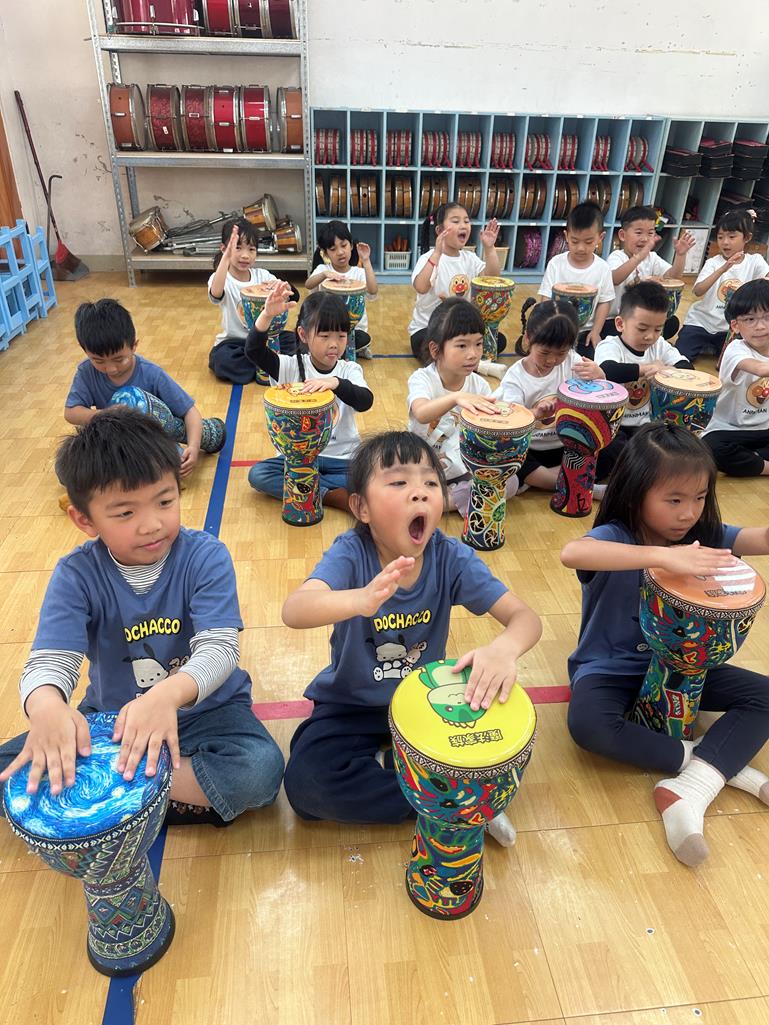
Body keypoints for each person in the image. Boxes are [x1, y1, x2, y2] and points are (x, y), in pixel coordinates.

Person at [0, 408, 284, 828]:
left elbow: (220, 649)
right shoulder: (76, 574)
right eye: (125, 513)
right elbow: (51, 660)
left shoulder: (205, 557)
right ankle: (158, 793)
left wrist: (165, 697)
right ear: (84, 519)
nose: (152, 524)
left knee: (260, 771)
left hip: (208, 713)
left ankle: (111, 794)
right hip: (114, 722)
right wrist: (46, 707)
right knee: (11, 768)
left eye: (165, 502)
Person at [280, 431, 542, 845]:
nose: (419, 492)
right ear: (362, 508)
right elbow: (295, 610)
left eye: (431, 482)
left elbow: (525, 618)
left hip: (428, 703)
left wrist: (503, 649)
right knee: (306, 785)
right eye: (399, 482)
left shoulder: (450, 557)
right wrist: (359, 599)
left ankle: (440, 790)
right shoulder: (351, 552)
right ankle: (458, 802)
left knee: (505, 749)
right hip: (352, 705)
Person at [561, 422, 769, 866]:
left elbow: (759, 539)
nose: (688, 513)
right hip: (610, 668)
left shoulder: (704, 535)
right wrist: (664, 556)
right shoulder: (617, 535)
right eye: (673, 500)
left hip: (687, 667)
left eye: (699, 498)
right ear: (636, 493)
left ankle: (692, 785)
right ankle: (714, 766)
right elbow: (572, 553)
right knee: (587, 725)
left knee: (765, 697)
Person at [245, 283, 373, 512]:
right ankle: (332, 496)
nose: (334, 344)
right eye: (324, 336)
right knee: (259, 474)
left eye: (341, 336)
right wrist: (266, 315)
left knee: (374, 475)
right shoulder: (289, 366)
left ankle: (310, 488)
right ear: (303, 335)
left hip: (342, 460)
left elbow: (365, 400)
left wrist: (336, 383)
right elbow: (254, 350)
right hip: (295, 460)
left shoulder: (348, 370)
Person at [65, 299, 225, 477]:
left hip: (155, 437)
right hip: (116, 439)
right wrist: (106, 415)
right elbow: (71, 412)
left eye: (119, 359)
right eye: (98, 361)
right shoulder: (86, 372)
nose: (111, 369)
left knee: (171, 468)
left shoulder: (151, 373)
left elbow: (190, 411)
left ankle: (203, 432)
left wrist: (194, 447)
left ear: (134, 346)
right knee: (67, 471)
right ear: (85, 351)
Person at [407, 297, 512, 517]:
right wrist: (456, 398)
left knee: (508, 481)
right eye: (462, 345)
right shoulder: (422, 378)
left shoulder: (480, 385)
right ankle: (452, 498)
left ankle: (443, 500)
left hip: (459, 467)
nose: (473, 354)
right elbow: (421, 413)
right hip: (419, 465)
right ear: (435, 350)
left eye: (478, 344)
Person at [497, 298, 611, 494]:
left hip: (567, 446)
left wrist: (600, 377)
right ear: (527, 339)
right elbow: (512, 421)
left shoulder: (574, 362)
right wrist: (535, 413)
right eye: (544, 352)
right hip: (531, 449)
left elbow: (600, 400)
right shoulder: (515, 377)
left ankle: (546, 480)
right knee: (506, 454)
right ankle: (582, 484)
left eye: (561, 353)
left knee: (611, 445)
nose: (552, 360)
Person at [408, 202, 506, 374]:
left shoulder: (470, 258)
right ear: (439, 230)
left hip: (461, 329)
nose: (463, 225)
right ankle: (479, 365)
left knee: (498, 340)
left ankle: (460, 357)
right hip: (429, 329)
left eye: (466, 221)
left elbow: (492, 279)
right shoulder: (428, 258)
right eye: (455, 221)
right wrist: (436, 254)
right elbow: (421, 287)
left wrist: (489, 248)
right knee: (427, 345)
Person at [595, 281, 693, 440]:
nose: (650, 336)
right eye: (642, 329)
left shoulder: (659, 345)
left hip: (649, 425)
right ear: (620, 324)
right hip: (614, 424)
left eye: (658, 329)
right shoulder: (610, 345)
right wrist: (648, 369)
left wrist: (667, 370)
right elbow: (608, 370)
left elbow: (688, 368)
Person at [207, 217, 300, 384]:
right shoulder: (220, 278)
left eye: (251, 249)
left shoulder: (262, 275)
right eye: (237, 248)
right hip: (236, 343)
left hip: (264, 340)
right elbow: (215, 293)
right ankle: (269, 364)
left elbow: (293, 295)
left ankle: (263, 363)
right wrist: (226, 258)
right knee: (222, 360)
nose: (245, 255)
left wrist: (283, 286)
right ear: (224, 249)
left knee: (295, 341)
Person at [676, 210, 769, 363]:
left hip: (731, 328)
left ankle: (711, 347)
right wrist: (723, 269)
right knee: (681, 356)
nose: (725, 242)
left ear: (747, 238)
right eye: (720, 237)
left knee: (734, 360)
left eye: (732, 237)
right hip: (701, 322)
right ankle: (707, 345)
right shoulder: (713, 263)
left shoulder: (755, 261)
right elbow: (698, 291)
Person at [702, 279, 769, 476]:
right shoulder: (735, 349)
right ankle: (763, 465)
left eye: (767, 317)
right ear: (735, 326)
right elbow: (760, 369)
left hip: (764, 429)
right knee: (710, 448)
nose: (760, 326)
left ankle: (753, 460)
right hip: (728, 429)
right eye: (750, 319)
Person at [604, 205, 695, 338]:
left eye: (650, 233)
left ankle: (643, 339)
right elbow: (615, 278)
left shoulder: (652, 257)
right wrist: (639, 258)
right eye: (639, 233)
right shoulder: (617, 257)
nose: (645, 239)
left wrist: (681, 256)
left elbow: (673, 277)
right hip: (617, 318)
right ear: (623, 235)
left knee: (671, 322)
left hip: (643, 317)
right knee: (611, 331)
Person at [538, 201, 615, 358]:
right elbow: (546, 299)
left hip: (586, 331)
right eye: (574, 241)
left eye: (588, 242)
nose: (581, 248)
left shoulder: (603, 268)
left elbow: (604, 302)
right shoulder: (556, 264)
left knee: (594, 358)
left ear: (600, 237)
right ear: (566, 236)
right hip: (557, 328)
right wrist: (548, 327)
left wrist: (595, 331)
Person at [305, 220, 378, 358]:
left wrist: (366, 260)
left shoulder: (358, 272)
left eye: (344, 245)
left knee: (362, 337)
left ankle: (341, 350)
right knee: (314, 336)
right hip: (328, 329)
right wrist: (324, 275)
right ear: (325, 254)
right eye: (333, 249)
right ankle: (348, 350)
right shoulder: (323, 269)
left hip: (354, 330)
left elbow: (373, 290)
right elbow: (308, 284)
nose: (340, 252)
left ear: (351, 245)